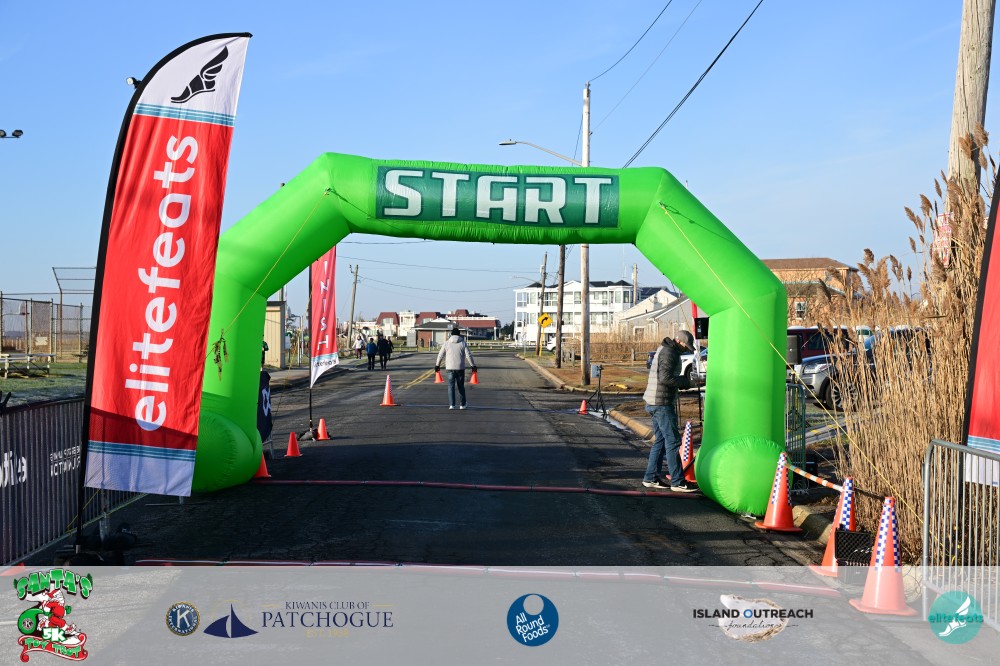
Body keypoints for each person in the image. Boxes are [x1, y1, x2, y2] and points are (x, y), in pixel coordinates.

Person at [642, 330, 699, 492]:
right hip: (662, 403)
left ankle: (650, 478)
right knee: (673, 442)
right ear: (679, 341)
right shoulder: (670, 353)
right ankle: (678, 482)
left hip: (653, 401)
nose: (686, 349)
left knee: (660, 441)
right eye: (685, 346)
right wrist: (687, 382)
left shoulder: (665, 349)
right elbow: (665, 378)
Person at [435, 327, 476, 409]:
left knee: (451, 386)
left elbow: (440, 355)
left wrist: (437, 365)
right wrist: (473, 365)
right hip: (460, 368)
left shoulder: (446, 343)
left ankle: (452, 405)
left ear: (451, 334)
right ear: (459, 334)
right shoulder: (463, 343)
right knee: (461, 386)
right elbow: (468, 355)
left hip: (449, 368)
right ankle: (462, 404)